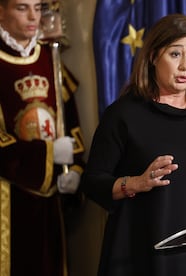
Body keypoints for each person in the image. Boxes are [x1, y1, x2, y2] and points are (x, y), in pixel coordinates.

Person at [80, 14, 186, 276]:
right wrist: (137, 183)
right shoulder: (124, 114)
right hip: (137, 254)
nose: (185, 66)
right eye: (175, 54)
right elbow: (93, 182)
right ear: (153, 57)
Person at [0, 0, 85, 275]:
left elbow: (72, 126)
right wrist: (47, 155)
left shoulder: (51, 57)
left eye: (38, 8)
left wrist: (74, 167)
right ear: (1, 12)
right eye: (22, 8)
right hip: (7, 198)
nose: (33, 16)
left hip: (50, 203)